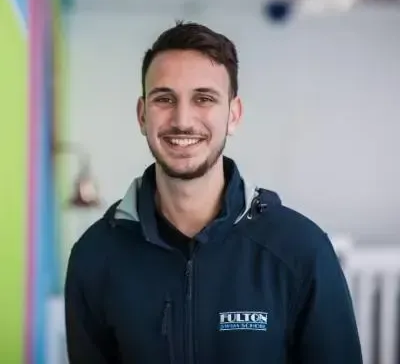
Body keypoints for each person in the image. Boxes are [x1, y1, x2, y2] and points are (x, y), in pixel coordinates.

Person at [65, 21, 363, 364]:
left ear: (233, 115)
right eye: (164, 99)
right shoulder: (95, 256)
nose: (183, 120)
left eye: (204, 98)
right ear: (142, 114)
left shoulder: (300, 250)